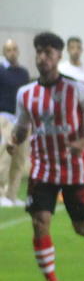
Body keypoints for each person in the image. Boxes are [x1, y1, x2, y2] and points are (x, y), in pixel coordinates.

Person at [7, 32, 84, 281]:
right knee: (40, 221)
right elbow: (22, 127)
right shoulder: (25, 93)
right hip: (42, 168)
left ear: (58, 57)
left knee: (83, 230)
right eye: (39, 52)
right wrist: (14, 140)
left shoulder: (76, 89)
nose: (42, 58)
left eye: (48, 53)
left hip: (74, 169)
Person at [0, 39, 32, 207]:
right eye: (8, 50)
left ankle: (12, 194)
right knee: (4, 156)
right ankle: (0, 193)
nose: (11, 52)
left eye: (14, 49)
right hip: (4, 118)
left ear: (18, 51)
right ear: (4, 52)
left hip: (21, 120)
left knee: (19, 159)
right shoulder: (1, 71)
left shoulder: (23, 73)